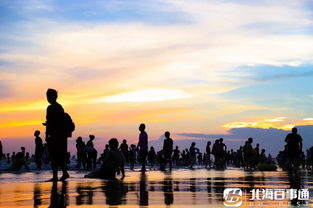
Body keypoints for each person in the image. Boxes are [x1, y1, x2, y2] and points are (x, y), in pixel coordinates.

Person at [44, 88, 69, 181]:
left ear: (54, 97)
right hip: (59, 135)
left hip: (56, 135)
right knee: (58, 156)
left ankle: (55, 176)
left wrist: (47, 135)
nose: (47, 98)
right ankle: (64, 173)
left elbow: (51, 123)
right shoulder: (58, 107)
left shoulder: (52, 108)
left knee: (54, 156)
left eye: (49, 96)